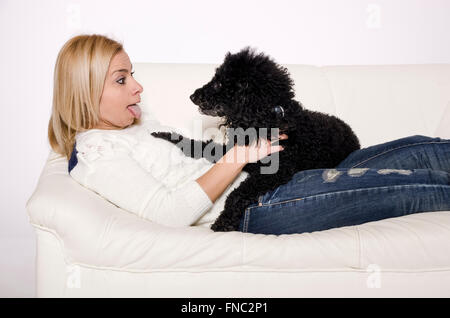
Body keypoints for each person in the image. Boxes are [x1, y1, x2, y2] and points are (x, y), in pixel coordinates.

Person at [48, 34, 450, 235]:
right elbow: (169, 213)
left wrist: (248, 149)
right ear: (85, 91)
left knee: (417, 151)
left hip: (271, 174)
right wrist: (238, 155)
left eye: (133, 73)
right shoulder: (98, 154)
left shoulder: (137, 123)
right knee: (403, 187)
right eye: (122, 79)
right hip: (258, 203)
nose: (138, 86)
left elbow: (194, 153)